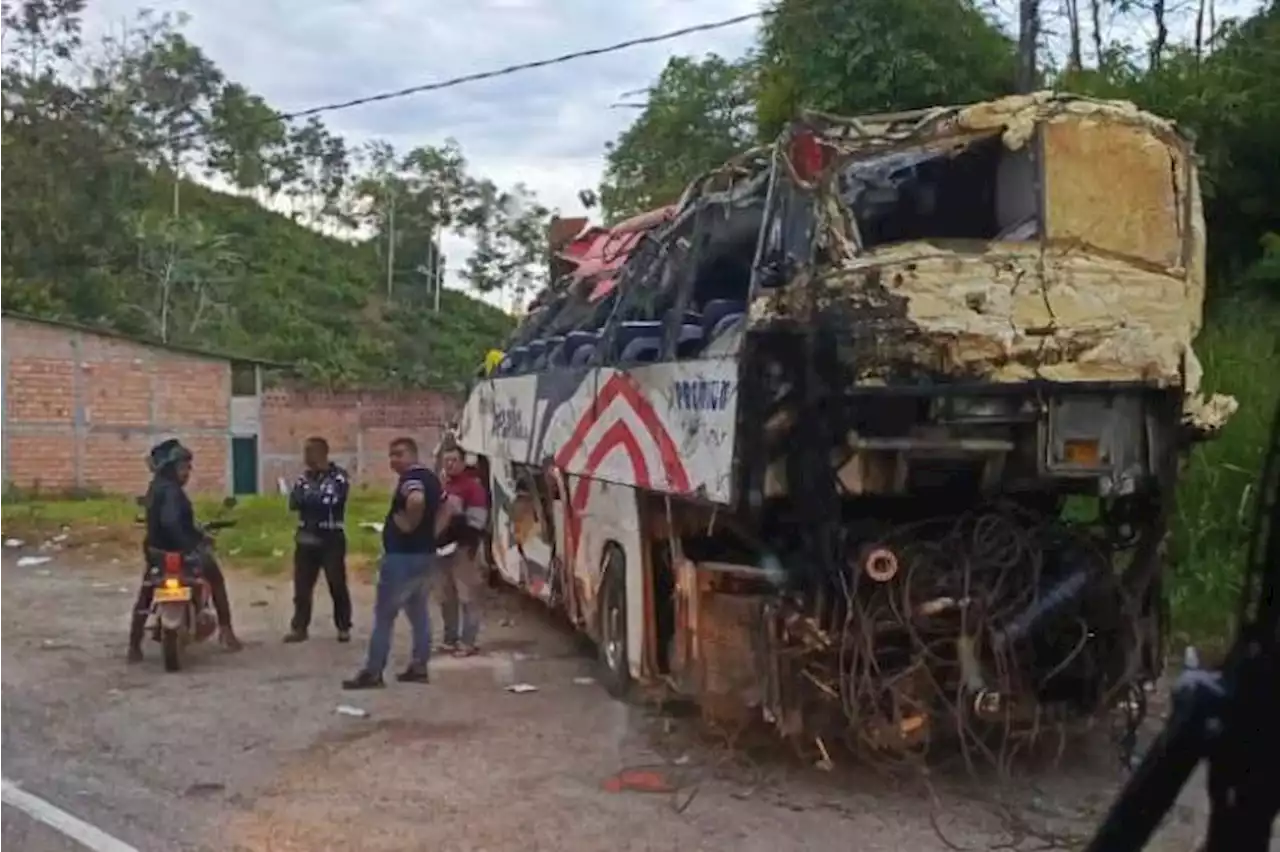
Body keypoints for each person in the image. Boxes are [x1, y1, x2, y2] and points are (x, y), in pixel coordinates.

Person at [342, 437, 456, 690]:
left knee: (385, 616)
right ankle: (419, 666)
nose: (393, 460)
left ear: (413, 455)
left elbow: (415, 500)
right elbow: (449, 507)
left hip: (401, 557)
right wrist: (431, 535)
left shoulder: (411, 479)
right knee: (418, 614)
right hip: (425, 555)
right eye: (391, 455)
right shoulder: (431, 478)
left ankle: (373, 672)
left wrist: (411, 526)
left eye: (399, 454)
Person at [128, 439, 241, 662]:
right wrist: (194, 543)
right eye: (184, 467)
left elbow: (162, 521)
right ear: (172, 468)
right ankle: (227, 631)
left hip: (156, 552)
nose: (187, 473)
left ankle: (134, 645)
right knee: (215, 578)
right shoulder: (172, 492)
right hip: (180, 552)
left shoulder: (156, 487)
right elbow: (172, 523)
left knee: (147, 591)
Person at [283, 437, 352, 644]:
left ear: (322, 453)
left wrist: (310, 498)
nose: (305, 457)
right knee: (302, 587)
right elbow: (294, 502)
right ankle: (299, 627)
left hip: (330, 537)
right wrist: (314, 497)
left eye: (309, 452)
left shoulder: (338, 477)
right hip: (305, 539)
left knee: (336, 583)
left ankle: (343, 626)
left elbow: (331, 501)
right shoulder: (303, 478)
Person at [435, 443, 490, 656]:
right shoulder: (442, 486)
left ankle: (468, 642)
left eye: (454, 460)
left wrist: (466, 543)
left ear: (462, 462)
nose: (449, 464)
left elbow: (478, 521)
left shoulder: (472, 488)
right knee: (446, 597)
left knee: (468, 597)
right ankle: (450, 639)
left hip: (463, 550)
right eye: (446, 460)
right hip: (441, 551)